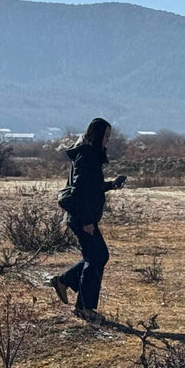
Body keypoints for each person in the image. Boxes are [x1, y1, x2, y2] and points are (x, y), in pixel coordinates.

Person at [49, 118, 126, 321]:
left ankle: (64, 282)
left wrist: (110, 185)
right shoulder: (87, 156)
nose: (107, 141)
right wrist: (86, 221)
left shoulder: (89, 155)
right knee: (97, 257)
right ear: (97, 135)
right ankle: (84, 307)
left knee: (97, 255)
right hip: (82, 218)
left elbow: (91, 186)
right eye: (106, 136)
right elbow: (80, 191)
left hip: (84, 217)